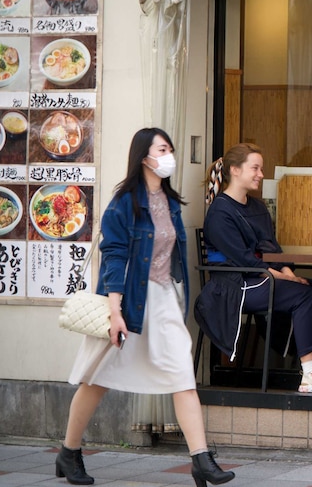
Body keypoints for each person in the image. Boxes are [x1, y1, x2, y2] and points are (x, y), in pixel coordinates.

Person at [56, 128, 234, 487]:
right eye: (162, 149)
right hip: (127, 303)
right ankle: (69, 452)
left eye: (170, 147)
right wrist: (116, 312)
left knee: (183, 375)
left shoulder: (169, 201)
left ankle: (201, 460)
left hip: (164, 300)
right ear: (144, 157)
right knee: (97, 379)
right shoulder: (124, 203)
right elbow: (115, 257)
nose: (169, 155)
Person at [201, 143, 312, 393]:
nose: (260, 174)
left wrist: (287, 272)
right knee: (304, 296)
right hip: (235, 285)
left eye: (261, 168)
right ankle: (309, 372)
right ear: (235, 170)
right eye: (254, 168)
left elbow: (271, 246)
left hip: (262, 277)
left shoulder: (256, 207)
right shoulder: (220, 212)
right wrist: (280, 276)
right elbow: (244, 259)